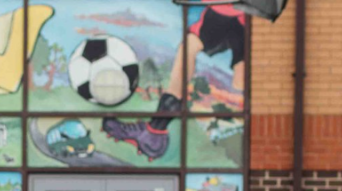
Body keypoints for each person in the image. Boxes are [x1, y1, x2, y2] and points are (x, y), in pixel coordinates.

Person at [102, 5, 245, 159]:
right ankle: (155, 132)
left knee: (193, 47)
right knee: (191, 45)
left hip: (236, 11)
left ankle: (155, 134)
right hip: (234, 13)